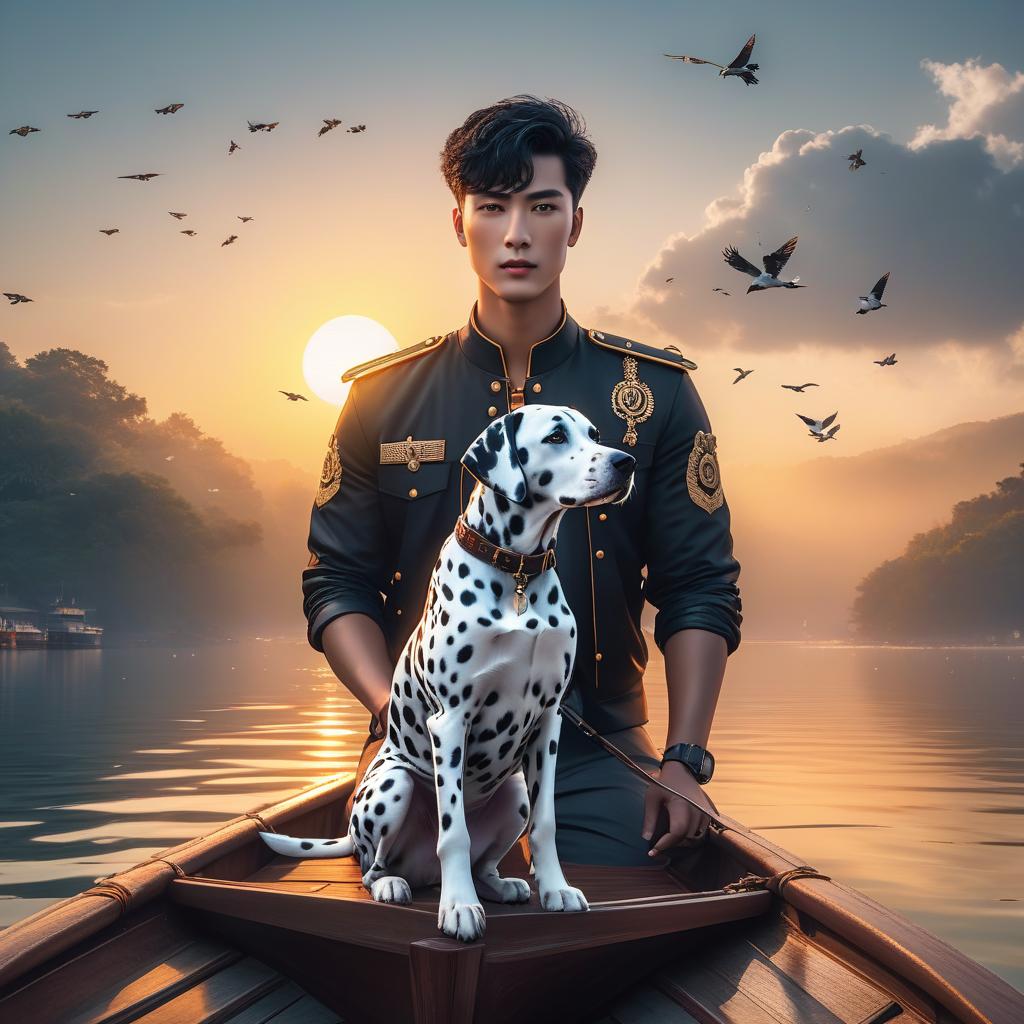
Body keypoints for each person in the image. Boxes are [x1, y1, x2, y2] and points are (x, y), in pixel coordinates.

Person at [302, 94, 742, 867]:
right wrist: (392, 724)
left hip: (598, 754)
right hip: (423, 748)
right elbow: (337, 582)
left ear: (575, 222)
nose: (516, 234)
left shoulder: (659, 393)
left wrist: (685, 759)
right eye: (492, 206)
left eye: (542, 206)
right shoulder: (379, 397)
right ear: (458, 222)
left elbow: (700, 585)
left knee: (650, 893)